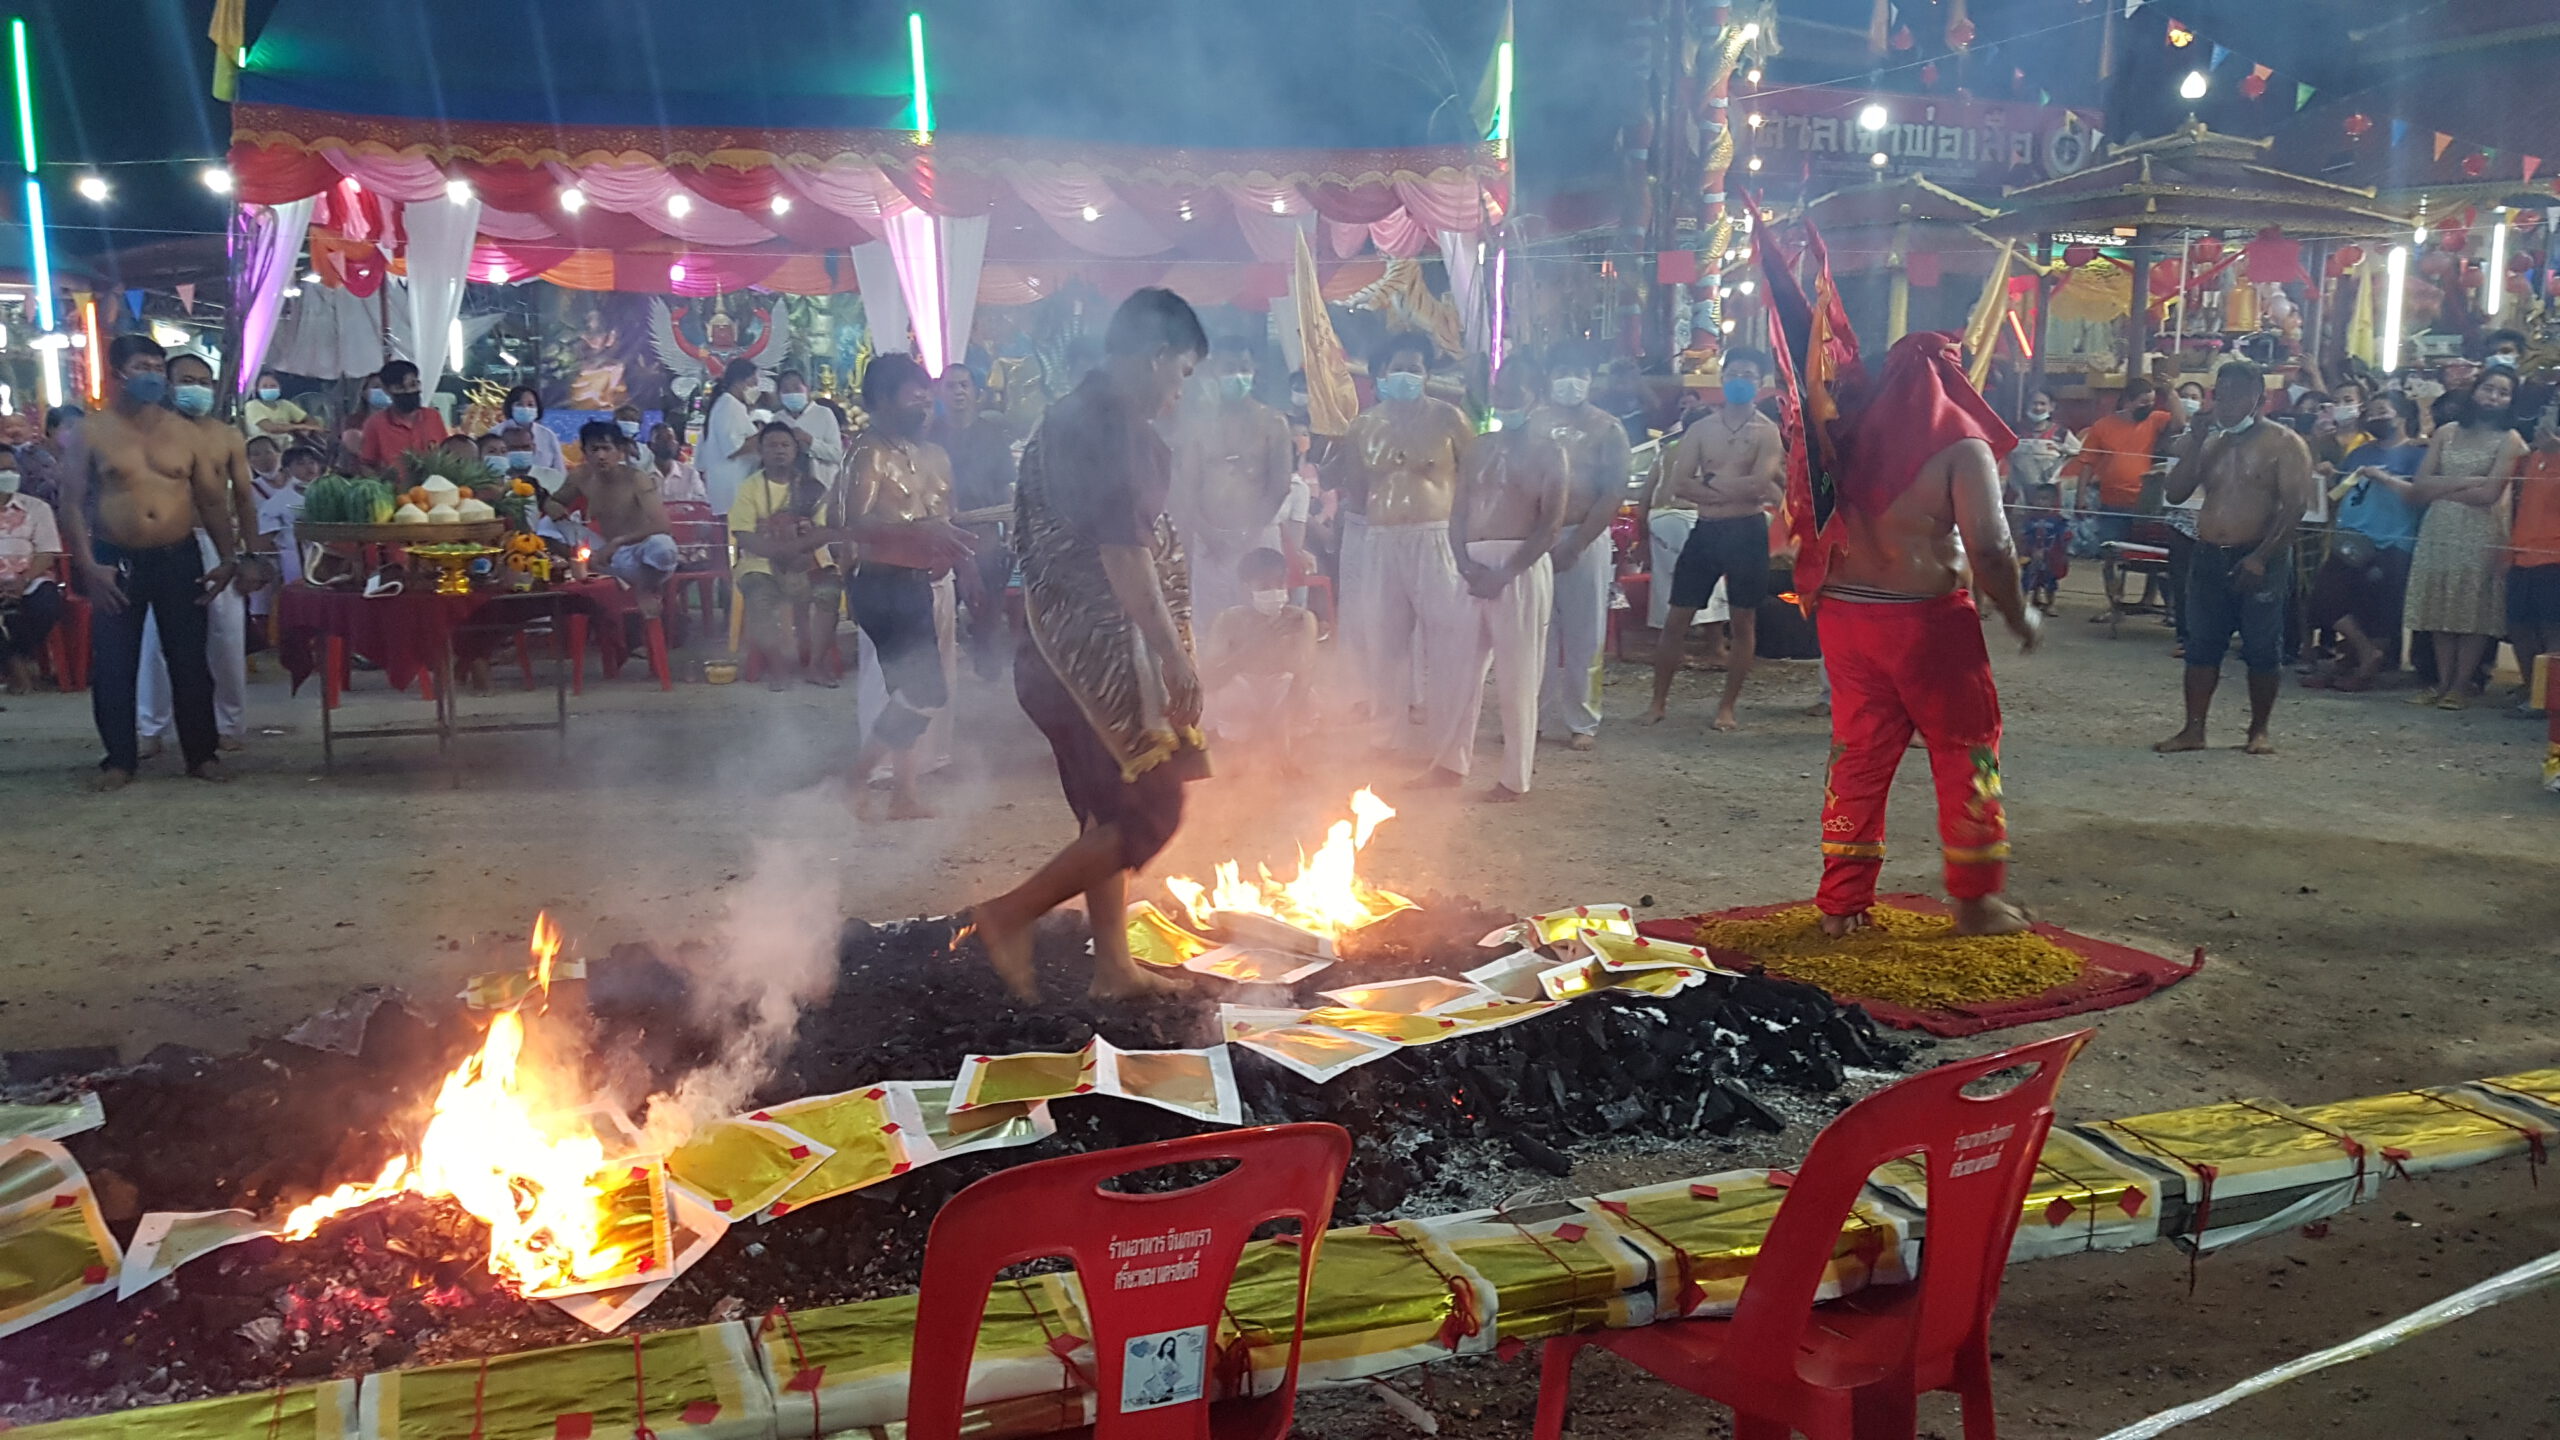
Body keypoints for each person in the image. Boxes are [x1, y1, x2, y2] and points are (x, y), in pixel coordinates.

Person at [968, 288, 1211, 1004]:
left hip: (1051, 650)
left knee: (1105, 807)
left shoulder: (1068, 414)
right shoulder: (1117, 428)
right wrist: (1172, 657)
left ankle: (1113, 967)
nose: (1180, 391)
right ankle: (1007, 917)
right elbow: (1124, 554)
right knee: (1152, 809)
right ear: (1157, 355)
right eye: (1183, 373)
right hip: (1095, 658)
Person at [1813, 333, 2039, 937]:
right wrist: (2019, 615)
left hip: (1846, 616)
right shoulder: (1962, 444)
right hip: (1925, 623)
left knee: (1857, 755)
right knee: (1967, 751)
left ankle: (1842, 902)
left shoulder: (1842, 434)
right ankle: (1975, 902)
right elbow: (1992, 547)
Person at [57, 335, 245, 787]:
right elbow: (71, 503)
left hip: (178, 556)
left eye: (159, 368)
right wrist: (88, 565)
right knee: (114, 664)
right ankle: (119, 760)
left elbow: (212, 501)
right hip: (115, 560)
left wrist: (228, 558)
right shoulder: (91, 431)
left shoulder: (186, 432)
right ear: (118, 373)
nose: (154, 376)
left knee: (189, 659)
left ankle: (201, 754)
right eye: (143, 367)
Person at [2152, 363, 2315, 755]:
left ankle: (2259, 730)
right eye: (2220, 395)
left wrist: (2261, 556)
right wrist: (2196, 440)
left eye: (2236, 395)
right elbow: (2175, 492)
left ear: (2259, 399)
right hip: (2209, 552)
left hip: (2260, 554)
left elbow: (2294, 507)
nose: (2226, 403)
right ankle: (2193, 729)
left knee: (2262, 647)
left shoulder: (2285, 443)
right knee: (2201, 644)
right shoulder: (2210, 441)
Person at [1421, 364, 1567, 800]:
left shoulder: (1551, 453)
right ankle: (1449, 762)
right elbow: (1458, 512)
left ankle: (1514, 778)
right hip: (1472, 562)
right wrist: (1464, 563)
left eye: (1514, 390)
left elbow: (1550, 525)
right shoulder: (1480, 448)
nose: (1504, 399)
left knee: (1518, 675)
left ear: (1535, 396)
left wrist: (1506, 572)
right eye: (1500, 390)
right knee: (1455, 671)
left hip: (1519, 565)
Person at [841, 353, 972, 819]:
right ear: (881, 399)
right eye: (912, 395)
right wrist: (922, 531)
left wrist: (951, 542)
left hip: (920, 580)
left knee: (911, 690)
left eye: (924, 396)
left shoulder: (932, 454)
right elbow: (854, 524)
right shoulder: (868, 453)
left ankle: (904, 793)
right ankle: (858, 776)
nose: (923, 403)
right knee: (924, 691)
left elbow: (948, 516)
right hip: (882, 582)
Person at [1332, 341, 1474, 752]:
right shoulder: (1362, 427)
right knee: (1384, 643)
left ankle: (1447, 741)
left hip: (1435, 535)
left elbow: (1473, 477)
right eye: (1398, 367)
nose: (1406, 375)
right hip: (1382, 538)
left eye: (1414, 367)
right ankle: (1387, 737)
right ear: (1383, 375)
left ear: (1428, 375)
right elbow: (1357, 489)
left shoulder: (1449, 419)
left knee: (1446, 639)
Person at [1645, 349, 1785, 731]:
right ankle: (1658, 701)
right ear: (1723, 379)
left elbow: (1761, 483)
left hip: (1747, 530)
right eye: (1734, 373)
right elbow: (1680, 483)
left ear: (1760, 383)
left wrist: (1710, 484)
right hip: (1706, 529)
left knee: (1743, 621)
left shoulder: (1767, 432)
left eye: (1748, 375)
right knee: (1677, 617)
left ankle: (1727, 706)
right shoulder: (1702, 429)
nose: (1740, 380)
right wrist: (1733, 487)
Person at [138, 352, 267, 758]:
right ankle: (151, 727)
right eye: (187, 380)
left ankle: (229, 724)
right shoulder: (147, 433)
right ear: (168, 385)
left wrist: (250, 554)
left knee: (226, 636)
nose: (197, 388)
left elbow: (243, 499)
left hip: (218, 541)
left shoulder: (227, 436)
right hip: (163, 540)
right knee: (156, 640)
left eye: (204, 381)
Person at [2373, 370, 2526, 708]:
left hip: (2481, 531)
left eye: (2503, 393)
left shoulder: (2510, 439)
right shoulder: (2447, 432)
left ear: (2511, 400)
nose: (2493, 397)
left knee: (2471, 610)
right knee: (2439, 605)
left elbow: (2489, 495)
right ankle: (2441, 683)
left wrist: (2442, 487)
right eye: (2488, 389)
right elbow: (2419, 485)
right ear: (2475, 391)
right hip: (2438, 528)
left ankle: (2461, 684)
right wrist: (2469, 480)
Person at [1532, 349, 1633, 751]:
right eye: (1562, 370)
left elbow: (1613, 491)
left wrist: (1576, 543)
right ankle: (1530, 717)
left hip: (1585, 536)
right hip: (1534, 538)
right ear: (1549, 376)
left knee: (1584, 632)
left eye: (1578, 372)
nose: (1570, 380)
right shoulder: (1533, 424)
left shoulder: (1608, 429)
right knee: (1535, 631)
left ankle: (1583, 721)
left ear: (1590, 379)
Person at [2303, 393, 2426, 691]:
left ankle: (2360, 663)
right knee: (2324, 597)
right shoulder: (2359, 453)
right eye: (2370, 413)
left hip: (2393, 539)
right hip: (2351, 536)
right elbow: (2339, 492)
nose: (2374, 418)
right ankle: (2365, 652)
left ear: (2403, 416)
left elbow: (2420, 494)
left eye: (2382, 411)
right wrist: (2326, 475)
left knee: (2378, 607)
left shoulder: (2417, 454)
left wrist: (2384, 478)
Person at [1171, 344, 1294, 625]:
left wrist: (1251, 533)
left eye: (1244, 368)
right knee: (1211, 624)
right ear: (1214, 372)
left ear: (1254, 371)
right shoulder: (1196, 426)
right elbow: (1186, 489)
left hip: (1258, 537)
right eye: (1229, 369)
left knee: (1263, 623)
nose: (1237, 376)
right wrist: (1208, 533)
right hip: (1210, 541)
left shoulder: (1274, 422)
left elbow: (1280, 485)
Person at [728, 424, 845, 690]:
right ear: (761, 452)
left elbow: (826, 529)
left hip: (807, 559)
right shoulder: (749, 488)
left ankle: (815, 665)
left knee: (829, 592)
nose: (779, 451)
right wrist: (779, 552)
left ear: (795, 451)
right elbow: (743, 534)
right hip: (761, 561)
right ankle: (777, 667)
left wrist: (798, 546)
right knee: (758, 595)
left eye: (785, 445)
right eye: (772, 445)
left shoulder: (812, 486)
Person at [1199, 548, 1320, 773]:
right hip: (1243, 697)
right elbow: (1209, 679)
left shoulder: (1301, 619)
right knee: (1233, 689)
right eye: (1264, 586)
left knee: (1289, 684)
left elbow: (1304, 675)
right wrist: (1253, 646)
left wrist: (1282, 726)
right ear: (1246, 589)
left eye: (1279, 584)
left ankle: (1285, 755)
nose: (1274, 592)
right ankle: (1237, 757)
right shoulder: (1228, 620)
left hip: (1284, 700)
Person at [933, 363, 1019, 673]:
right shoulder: (929, 435)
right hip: (941, 536)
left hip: (984, 535)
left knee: (988, 613)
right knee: (938, 614)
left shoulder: (992, 435)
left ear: (976, 393)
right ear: (939, 392)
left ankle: (987, 665)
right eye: (951, 385)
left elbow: (1006, 487)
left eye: (964, 385)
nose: (958, 392)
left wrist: (1011, 531)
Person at [560, 420, 677, 611]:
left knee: (663, 547)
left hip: (641, 554)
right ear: (585, 452)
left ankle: (645, 588)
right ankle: (589, 567)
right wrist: (554, 507)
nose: (601, 456)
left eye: (606, 449)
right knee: (548, 526)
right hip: (608, 557)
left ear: (620, 451)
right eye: (594, 449)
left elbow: (662, 525)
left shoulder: (636, 478)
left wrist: (617, 542)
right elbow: (555, 502)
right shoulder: (580, 476)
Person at [2064, 381, 2182, 548]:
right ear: (2128, 401)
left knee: (2140, 552)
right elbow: (2087, 463)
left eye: (2151, 402)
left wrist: (2171, 393)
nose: (2148, 406)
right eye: (2143, 402)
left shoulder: (2155, 419)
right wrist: (2080, 498)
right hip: (2112, 502)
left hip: (2144, 503)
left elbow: (2179, 424)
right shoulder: (2102, 426)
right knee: (2110, 549)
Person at [2507, 410, 2560, 717]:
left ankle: (2550, 698)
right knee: (2519, 627)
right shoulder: (2527, 459)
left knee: (2554, 630)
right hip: (2519, 553)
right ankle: (2532, 690)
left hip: (2555, 557)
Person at [0, 447, 64, 693]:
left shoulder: (37, 508)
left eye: (12, 470)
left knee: (47, 606)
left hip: (30, 577)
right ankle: (12, 663)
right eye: (2, 470)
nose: (8, 475)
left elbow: (47, 552)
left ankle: (17, 655)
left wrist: (23, 580)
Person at [697, 357, 763, 515]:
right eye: (754, 383)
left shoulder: (733, 406)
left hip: (734, 490)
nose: (756, 389)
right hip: (732, 491)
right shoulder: (729, 405)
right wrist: (764, 436)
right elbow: (733, 448)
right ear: (740, 382)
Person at [357, 359, 447, 474]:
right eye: (400, 387)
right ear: (386, 390)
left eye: (413, 385)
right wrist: (380, 483)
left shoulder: (433, 416)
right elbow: (366, 464)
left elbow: (446, 454)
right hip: (393, 485)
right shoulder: (375, 423)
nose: (409, 391)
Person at [260, 443, 324, 591]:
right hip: (294, 561)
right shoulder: (277, 502)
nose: (309, 467)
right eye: (300, 463)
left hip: (331, 558)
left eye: (312, 462)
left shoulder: (332, 494)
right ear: (287, 469)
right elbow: (266, 539)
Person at [774, 368, 846, 486]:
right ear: (779, 394)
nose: (792, 393)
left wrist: (810, 441)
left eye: (797, 388)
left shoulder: (823, 414)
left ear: (807, 389)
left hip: (823, 484)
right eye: (786, 391)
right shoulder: (778, 418)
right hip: (787, 485)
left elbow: (837, 454)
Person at [2004, 390, 2072, 504]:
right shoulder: (2014, 431)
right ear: (2027, 405)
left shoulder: (2062, 433)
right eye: (2034, 403)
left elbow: (2076, 452)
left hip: (2049, 492)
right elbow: (2002, 451)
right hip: (2017, 490)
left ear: (2052, 407)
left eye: (2042, 404)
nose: (2038, 408)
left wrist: (2059, 466)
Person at [2015, 482, 2073, 609]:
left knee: (2049, 580)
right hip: (2031, 555)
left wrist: (2062, 551)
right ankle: (2027, 602)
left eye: (2044, 499)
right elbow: (2023, 535)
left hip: (2050, 557)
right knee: (2028, 578)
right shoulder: (2030, 519)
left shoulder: (2058, 520)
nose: (2040, 502)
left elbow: (2065, 537)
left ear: (2053, 501)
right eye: (2038, 499)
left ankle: (2050, 604)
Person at [501, 385, 566, 472]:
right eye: (519, 404)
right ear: (510, 407)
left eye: (530, 405)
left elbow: (559, 470)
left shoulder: (548, 435)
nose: (525, 408)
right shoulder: (497, 433)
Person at [240, 370, 318, 441]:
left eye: (273, 386)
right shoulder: (252, 405)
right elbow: (271, 428)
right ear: (257, 389)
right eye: (264, 386)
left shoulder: (285, 404)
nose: (269, 389)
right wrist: (300, 427)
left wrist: (307, 430)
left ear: (280, 388)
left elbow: (309, 419)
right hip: (263, 448)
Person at [644, 422, 708, 505]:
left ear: (677, 444)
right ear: (650, 445)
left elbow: (702, 505)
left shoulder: (690, 474)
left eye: (670, 438)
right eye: (661, 439)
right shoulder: (641, 475)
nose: (668, 442)